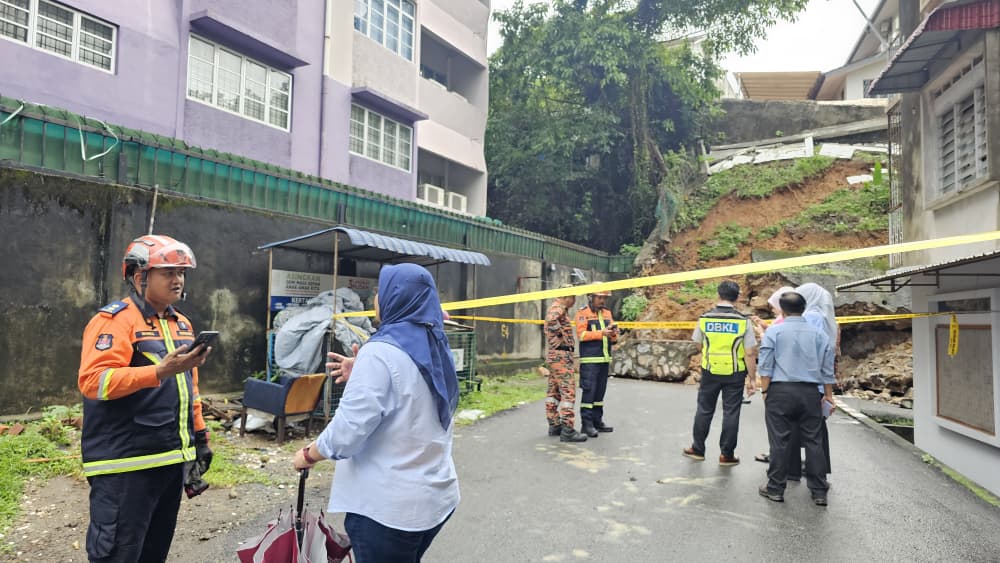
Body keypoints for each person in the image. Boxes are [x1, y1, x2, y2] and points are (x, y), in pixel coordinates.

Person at [293, 263, 460, 563]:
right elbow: (412, 389)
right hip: (436, 499)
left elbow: (348, 432)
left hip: (388, 511)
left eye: (380, 292)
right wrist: (362, 371)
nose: (374, 298)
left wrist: (309, 454)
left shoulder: (381, 353)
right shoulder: (433, 341)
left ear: (396, 299)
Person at [78, 234, 213, 562]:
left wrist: (199, 437)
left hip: (170, 462)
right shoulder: (114, 321)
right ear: (139, 276)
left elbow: (189, 389)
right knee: (119, 556)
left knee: (154, 554)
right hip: (126, 466)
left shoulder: (182, 323)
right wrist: (157, 372)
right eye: (167, 272)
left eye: (181, 272)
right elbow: (93, 381)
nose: (177, 279)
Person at [757, 291, 836, 506]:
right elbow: (827, 368)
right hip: (811, 392)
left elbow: (765, 366)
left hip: (780, 391)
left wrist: (765, 392)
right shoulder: (819, 335)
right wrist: (828, 396)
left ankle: (775, 488)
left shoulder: (774, 332)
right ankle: (819, 491)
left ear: (782, 310)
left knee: (779, 440)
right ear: (804, 308)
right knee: (814, 441)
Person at [683, 280, 757, 465]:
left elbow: (698, 344)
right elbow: (749, 352)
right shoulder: (742, 321)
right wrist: (752, 378)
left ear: (718, 295)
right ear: (737, 297)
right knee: (731, 412)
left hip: (710, 370)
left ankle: (698, 449)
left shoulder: (705, 318)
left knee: (704, 409)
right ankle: (726, 455)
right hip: (735, 372)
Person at [544, 288, 588, 442]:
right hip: (561, 356)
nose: (574, 300)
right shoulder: (558, 308)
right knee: (568, 392)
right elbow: (551, 320)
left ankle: (554, 424)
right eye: (573, 297)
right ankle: (567, 429)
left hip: (557, 356)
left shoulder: (558, 308)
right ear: (566, 296)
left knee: (554, 392)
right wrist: (561, 335)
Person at [575, 289, 618, 437]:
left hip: (604, 359)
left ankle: (597, 421)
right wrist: (601, 333)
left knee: (600, 393)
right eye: (599, 297)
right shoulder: (582, 313)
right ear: (591, 297)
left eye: (604, 298)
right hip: (590, 360)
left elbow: (613, 337)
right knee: (589, 392)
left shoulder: (607, 313)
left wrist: (614, 333)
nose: (602, 300)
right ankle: (586, 425)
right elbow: (581, 335)